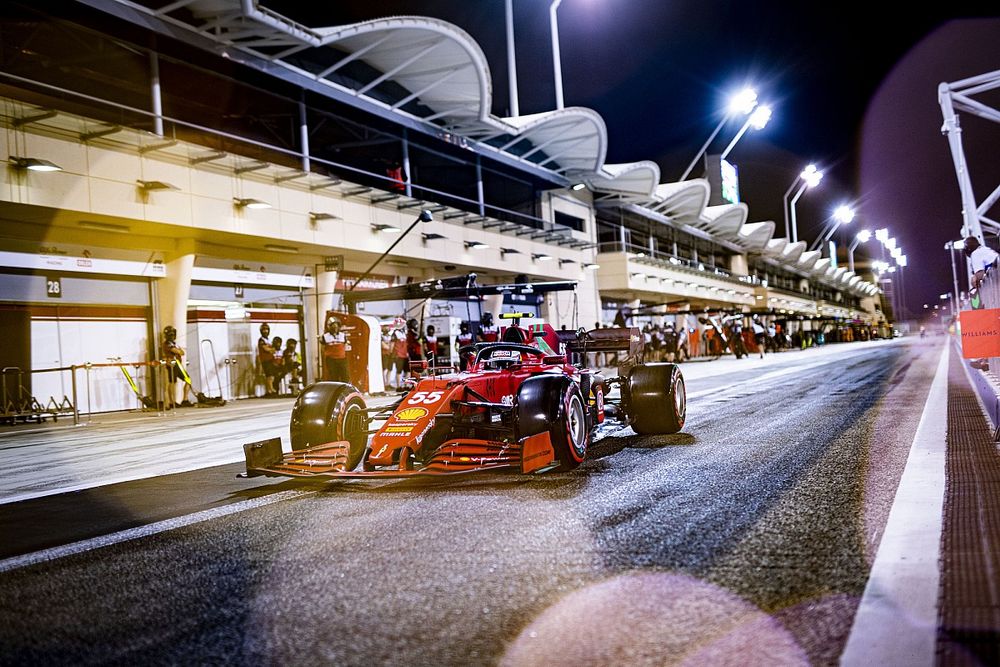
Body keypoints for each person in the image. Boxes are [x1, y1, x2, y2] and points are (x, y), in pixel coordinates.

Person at [161, 325, 190, 408]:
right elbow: (178, 351)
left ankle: (185, 399)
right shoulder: (167, 344)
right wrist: (178, 351)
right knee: (172, 383)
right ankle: (171, 402)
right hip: (173, 365)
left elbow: (182, 352)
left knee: (188, 380)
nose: (172, 336)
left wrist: (179, 351)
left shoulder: (174, 344)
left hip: (178, 365)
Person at [321, 317, 349, 383]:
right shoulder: (325, 336)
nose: (335, 327)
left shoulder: (343, 335)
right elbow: (322, 349)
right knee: (333, 377)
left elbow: (345, 346)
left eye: (337, 325)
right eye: (333, 325)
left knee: (345, 376)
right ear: (329, 326)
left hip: (342, 359)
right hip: (331, 360)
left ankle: (344, 388)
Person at [257, 323, 276, 396]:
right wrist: (271, 349)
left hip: (271, 359)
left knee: (272, 376)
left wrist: (271, 350)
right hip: (265, 360)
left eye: (267, 329)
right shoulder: (261, 340)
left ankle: (270, 390)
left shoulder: (268, 340)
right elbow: (266, 349)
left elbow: (273, 350)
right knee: (269, 375)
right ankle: (271, 390)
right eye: (264, 330)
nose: (265, 331)